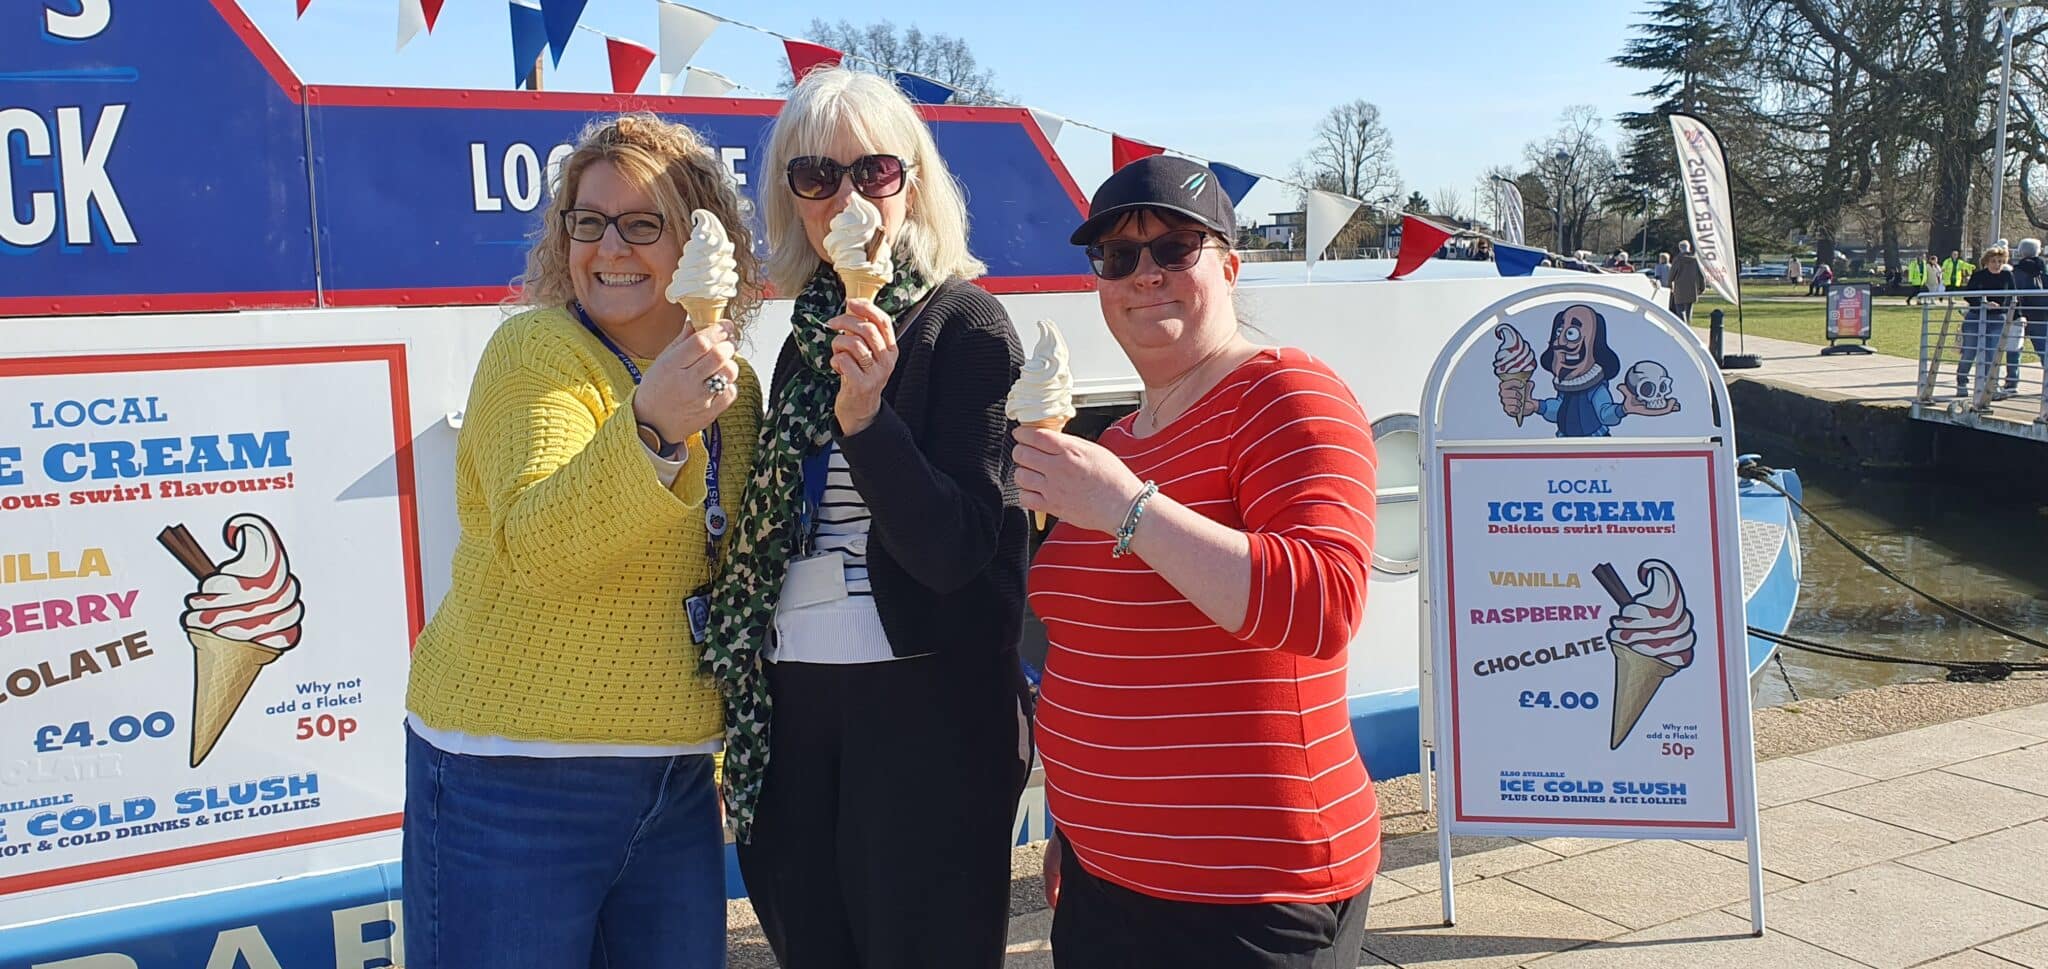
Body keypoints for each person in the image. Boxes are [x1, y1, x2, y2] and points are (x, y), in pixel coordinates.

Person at [403, 113, 764, 969]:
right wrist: (650, 431)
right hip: (512, 777)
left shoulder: (736, 388)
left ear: (697, 240)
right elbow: (538, 544)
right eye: (587, 219)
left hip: (675, 776)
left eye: (642, 224)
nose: (611, 247)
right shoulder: (536, 350)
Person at [701, 67, 1032, 969]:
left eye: (872, 172)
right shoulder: (804, 341)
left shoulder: (965, 324)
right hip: (792, 702)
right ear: (793, 199)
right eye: (816, 176)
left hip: (921, 703)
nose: (844, 196)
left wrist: (867, 421)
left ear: (911, 183)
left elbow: (959, 548)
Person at [1017, 154, 1379, 968]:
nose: (1145, 273)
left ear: (1229, 264)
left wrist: (1125, 508)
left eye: (1174, 248)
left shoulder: (1284, 392)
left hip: (1246, 894)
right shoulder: (1115, 442)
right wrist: (1076, 829)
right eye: (1117, 256)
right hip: (1105, 881)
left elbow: (1323, 604)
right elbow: (1095, 647)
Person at [1959, 245, 2015, 401]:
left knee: (1992, 354)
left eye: (2000, 261)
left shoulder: (2007, 276)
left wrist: (2018, 316)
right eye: (1993, 261)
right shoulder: (1979, 276)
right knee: (1970, 351)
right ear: (1987, 262)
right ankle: (1962, 381)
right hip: (1976, 317)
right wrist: (1983, 303)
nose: (1997, 264)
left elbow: (2014, 296)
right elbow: (1968, 296)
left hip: (1997, 319)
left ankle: (1990, 387)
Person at [2005, 238, 2048, 397]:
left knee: (2014, 350)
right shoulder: (2043, 271)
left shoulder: (2016, 273)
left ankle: (2011, 382)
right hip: (2041, 314)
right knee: (2044, 350)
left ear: (2021, 252)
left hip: (2020, 315)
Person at [1669, 240, 1706, 324]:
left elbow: (1672, 274)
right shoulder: (1695, 260)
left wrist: (1670, 285)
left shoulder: (1677, 260)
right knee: (1688, 311)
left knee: (1680, 310)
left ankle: (1683, 326)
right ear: (1688, 248)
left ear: (1680, 248)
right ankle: (1688, 326)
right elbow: (1701, 275)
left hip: (1679, 289)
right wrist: (1702, 287)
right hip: (1691, 288)